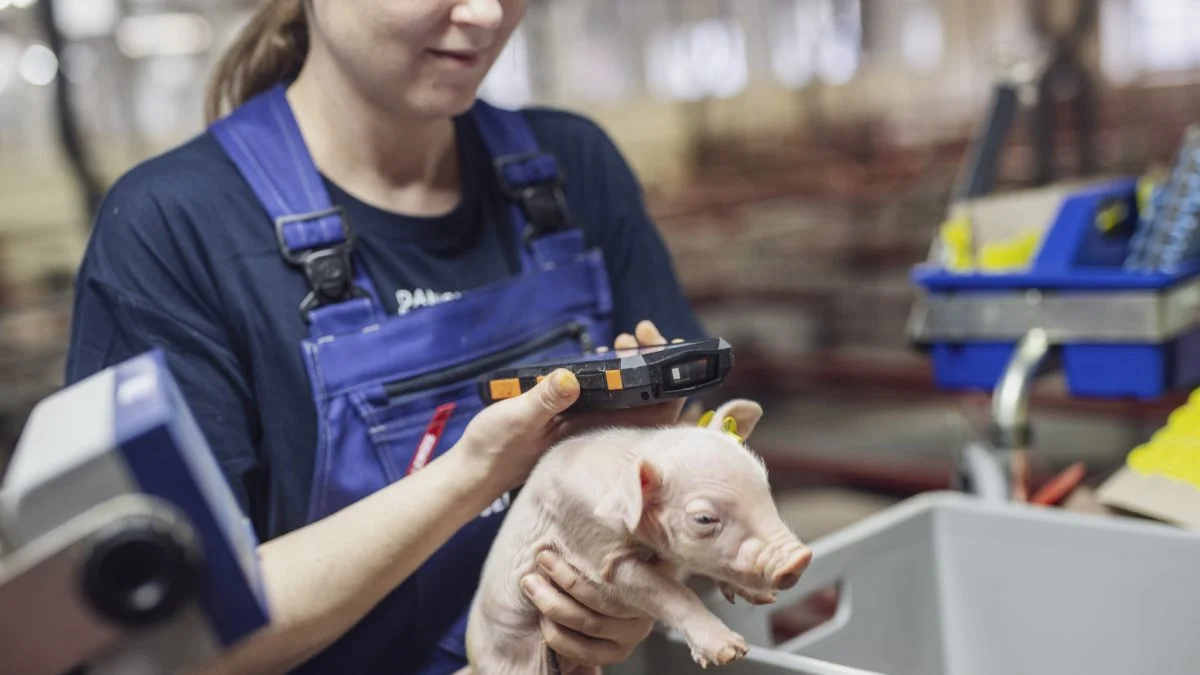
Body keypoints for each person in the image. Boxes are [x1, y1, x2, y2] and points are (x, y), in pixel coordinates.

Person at [63, 0, 708, 674]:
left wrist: (646, 573)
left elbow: (691, 442)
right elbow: (160, 645)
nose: (487, 13)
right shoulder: (173, 230)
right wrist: (473, 472)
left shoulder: (573, 162)